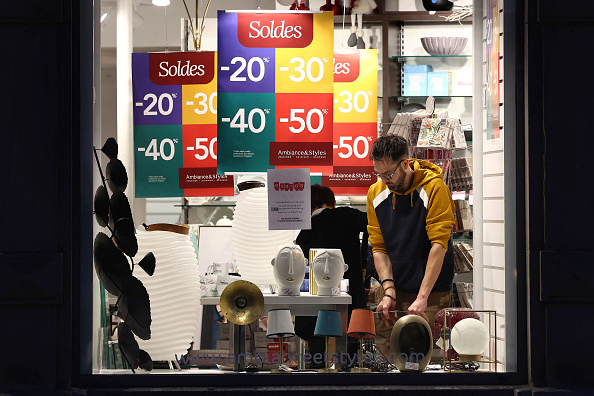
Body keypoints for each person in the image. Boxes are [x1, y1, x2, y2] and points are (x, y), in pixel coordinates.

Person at [366, 135, 455, 357]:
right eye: (378, 174)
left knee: (428, 360)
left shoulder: (435, 188)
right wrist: (388, 289)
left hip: (431, 293)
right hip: (393, 292)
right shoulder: (375, 193)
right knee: (386, 358)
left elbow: (439, 245)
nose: (383, 180)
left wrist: (423, 296)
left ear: (405, 164)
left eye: (388, 174)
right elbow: (378, 247)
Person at [294, 184, 368, 368]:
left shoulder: (304, 233)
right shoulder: (345, 215)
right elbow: (373, 222)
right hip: (349, 304)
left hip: (315, 309)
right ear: (332, 202)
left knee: (317, 362)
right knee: (349, 360)